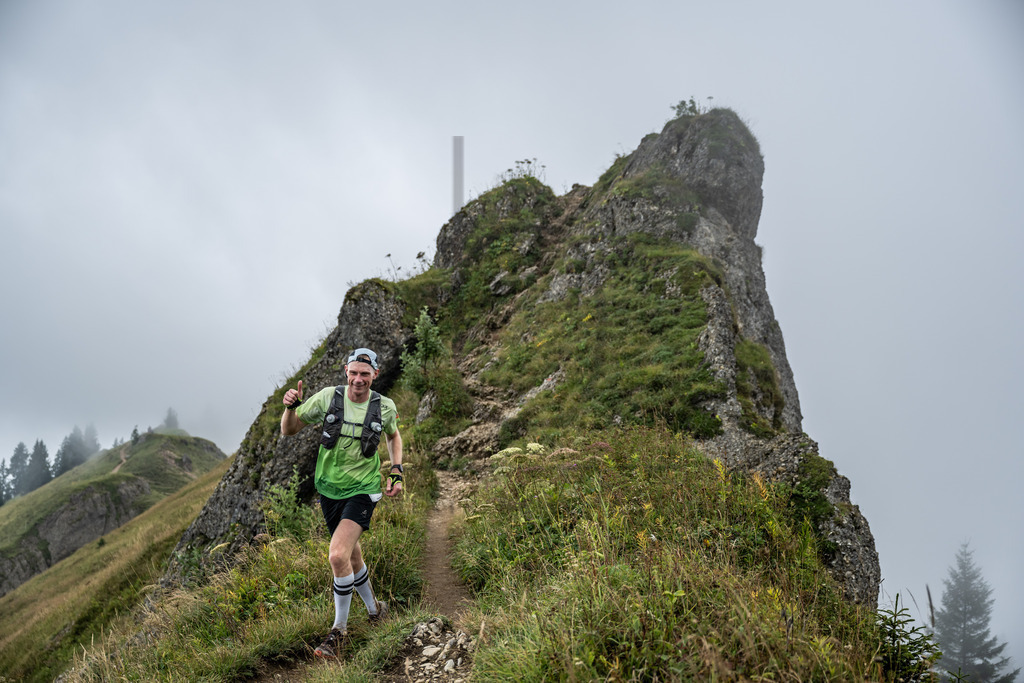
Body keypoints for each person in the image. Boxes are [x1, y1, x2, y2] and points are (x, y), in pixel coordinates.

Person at [280, 347, 404, 660]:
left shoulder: (384, 407)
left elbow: (393, 436)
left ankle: (339, 632)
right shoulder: (327, 398)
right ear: (345, 371)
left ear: (375, 375)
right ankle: (376, 610)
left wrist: (396, 470)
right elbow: (289, 429)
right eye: (354, 373)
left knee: (337, 556)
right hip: (329, 490)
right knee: (352, 555)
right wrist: (291, 407)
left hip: (363, 489)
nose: (359, 379)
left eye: (365, 374)